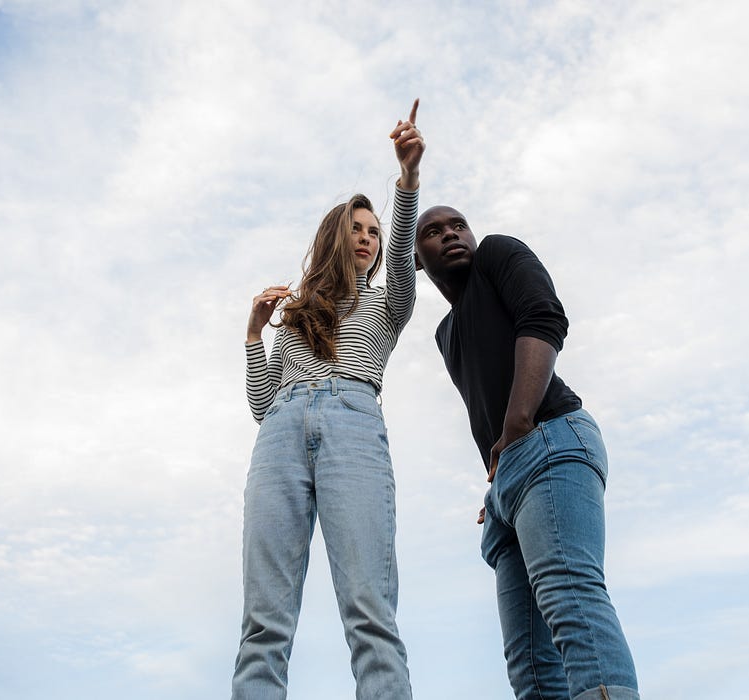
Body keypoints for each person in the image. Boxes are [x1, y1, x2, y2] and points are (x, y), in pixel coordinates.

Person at [231, 101, 424, 700]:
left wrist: (408, 181)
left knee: (369, 608)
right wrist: (252, 336)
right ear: (334, 237)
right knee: (265, 619)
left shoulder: (386, 305)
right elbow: (263, 405)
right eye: (357, 229)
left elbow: (402, 257)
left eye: (374, 232)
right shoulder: (297, 313)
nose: (368, 239)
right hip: (281, 432)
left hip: (353, 427)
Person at [413, 207, 639, 700]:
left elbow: (543, 316)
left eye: (458, 225)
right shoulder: (445, 334)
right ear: (415, 257)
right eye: (433, 231)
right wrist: (498, 478)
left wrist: (517, 426)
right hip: (508, 484)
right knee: (530, 664)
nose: (451, 233)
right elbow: (483, 402)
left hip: (552, 440)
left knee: (570, 599)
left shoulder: (497, 252)